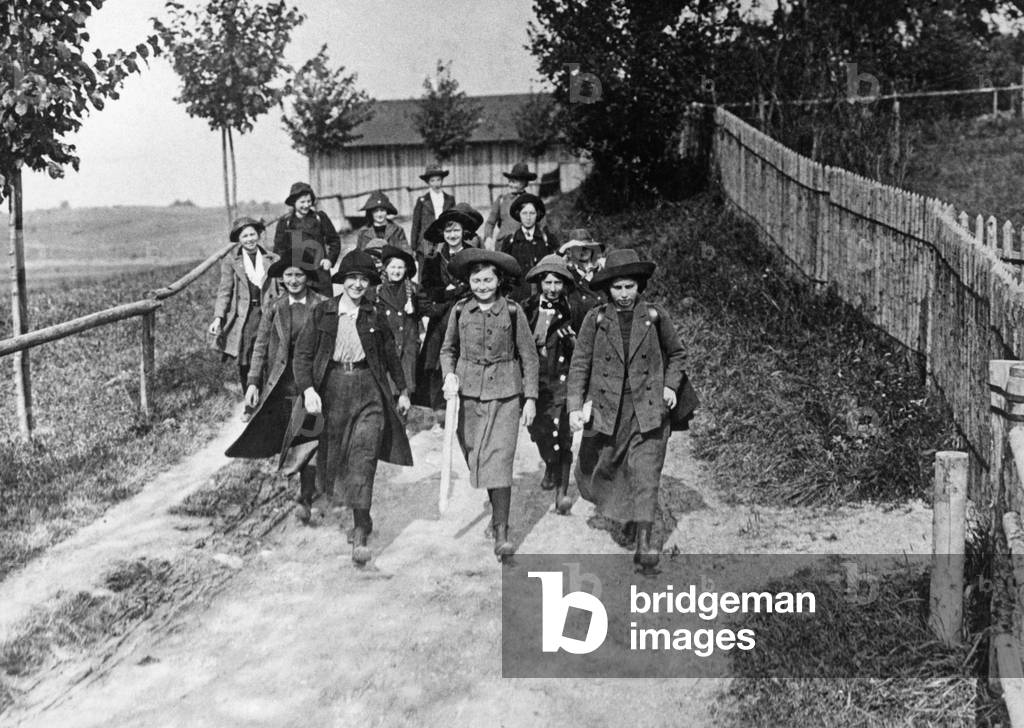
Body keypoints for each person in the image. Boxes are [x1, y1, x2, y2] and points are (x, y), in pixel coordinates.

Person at [286, 250, 413, 566]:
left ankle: (359, 531)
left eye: (364, 280)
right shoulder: (323, 313)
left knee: (364, 455)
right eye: (353, 278)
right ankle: (357, 515)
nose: (358, 284)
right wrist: (309, 390)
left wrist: (402, 391)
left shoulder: (373, 314)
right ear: (343, 281)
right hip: (333, 391)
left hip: (369, 389)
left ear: (370, 284)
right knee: (338, 456)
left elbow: (390, 356)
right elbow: (302, 356)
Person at [566, 249, 686, 572]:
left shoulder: (655, 317)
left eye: (629, 287)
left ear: (639, 286)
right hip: (610, 410)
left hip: (648, 409)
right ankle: (630, 516)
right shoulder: (597, 319)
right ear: (608, 289)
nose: (623, 295)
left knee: (646, 472)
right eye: (617, 288)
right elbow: (580, 364)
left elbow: (677, 354)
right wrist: (575, 406)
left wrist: (670, 386)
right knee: (610, 468)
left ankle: (645, 544)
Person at [440, 248, 539, 562]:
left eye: (487, 279)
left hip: (506, 394)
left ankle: (502, 531)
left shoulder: (512, 311)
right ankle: (497, 510)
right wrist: (449, 376)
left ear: (499, 281)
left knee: (499, 460)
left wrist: (531, 399)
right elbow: (447, 350)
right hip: (469, 395)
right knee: (477, 456)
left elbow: (529, 356)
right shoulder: (459, 311)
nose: (481, 285)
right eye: (476, 280)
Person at [224, 248, 328, 522]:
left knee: (310, 436)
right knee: (290, 437)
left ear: (307, 278)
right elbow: (260, 346)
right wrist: (253, 382)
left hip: (312, 384)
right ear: (281, 279)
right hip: (282, 383)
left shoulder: (321, 305)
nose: (293, 280)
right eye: (288, 275)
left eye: (298, 275)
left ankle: (305, 496)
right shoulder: (274, 307)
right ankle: (302, 484)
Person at [522, 254, 587, 515]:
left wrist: (572, 341)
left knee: (563, 435)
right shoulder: (526, 307)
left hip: (563, 378)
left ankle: (562, 492)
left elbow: (585, 346)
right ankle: (549, 463)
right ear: (539, 282)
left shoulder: (574, 309)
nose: (552, 288)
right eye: (547, 282)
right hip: (536, 382)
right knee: (539, 431)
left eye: (557, 283)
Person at [413, 203, 484, 420]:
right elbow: (427, 289)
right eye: (448, 231)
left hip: (470, 313)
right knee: (437, 358)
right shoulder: (434, 259)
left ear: (464, 232)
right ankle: (440, 409)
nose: (452, 235)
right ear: (442, 234)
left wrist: (463, 290)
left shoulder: (474, 256)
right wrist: (447, 292)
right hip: (443, 314)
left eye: (456, 230)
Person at [208, 216, 280, 420]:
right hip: (246, 317)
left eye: (252, 234)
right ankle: (249, 404)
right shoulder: (232, 262)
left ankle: (267, 402)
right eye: (244, 235)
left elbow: (281, 288)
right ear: (239, 239)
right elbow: (225, 291)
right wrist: (218, 318)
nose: (249, 239)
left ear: (258, 235)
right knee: (245, 359)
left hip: (268, 313)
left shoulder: (272, 259)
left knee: (269, 356)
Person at [375, 245, 425, 403]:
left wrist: (415, 308)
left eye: (400, 267)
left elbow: (427, 310)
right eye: (393, 267)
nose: (396, 271)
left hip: (408, 344)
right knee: (387, 387)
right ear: (385, 269)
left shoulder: (414, 290)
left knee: (406, 386)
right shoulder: (377, 291)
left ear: (406, 269)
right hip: (387, 346)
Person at [273, 181, 340, 297]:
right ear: (294, 203)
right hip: (296, 275)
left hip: (320, 275)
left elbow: (334, 240)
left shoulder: (320, 218)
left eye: (309, 201)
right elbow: (279, 249)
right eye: (302, 202)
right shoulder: (286, 222)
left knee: (324, 309)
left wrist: (329, 259)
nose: (306, 205)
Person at [498, 192, 558, 302]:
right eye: (524, 213)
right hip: (518, 295)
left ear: (537, 214)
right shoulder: (510, 240)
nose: (528, 217)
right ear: (519, 215)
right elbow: (504, 271)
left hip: (544, 295)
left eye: (532, 213)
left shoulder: (548, 239)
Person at [482, 162, 535, 250]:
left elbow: (541, 225)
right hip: (502, 245)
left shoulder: (531, 201)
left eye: (515, 182)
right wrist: (488, 237)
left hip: (524, 245)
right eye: (510, 181)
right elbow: (490, 222)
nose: (511, 185)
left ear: (524, 183)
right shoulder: (501, 200)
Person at [409, 164, 455, 263]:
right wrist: (413, 246)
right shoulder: (422, 201)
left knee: (444, 268)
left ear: (442, 180)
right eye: (432, 181)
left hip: (444, 238)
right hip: (426, 241)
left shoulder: (449, 199)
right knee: (426, 271)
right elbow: (416, 224)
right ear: (428, 182)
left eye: (438, 180)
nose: (436, 183)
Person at [558, 228, 605, 313]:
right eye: (578, 248)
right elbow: (547, 270)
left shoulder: (602, 269)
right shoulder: (567, 275)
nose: (583, 251)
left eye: (587, 247)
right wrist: (562, 250)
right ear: (570, 251)